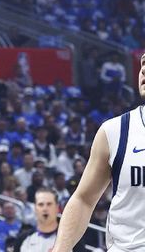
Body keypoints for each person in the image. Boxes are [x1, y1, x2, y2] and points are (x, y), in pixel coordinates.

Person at [52, 52, 145, 252]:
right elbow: (84, 199)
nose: (144, 70)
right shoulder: (115, 130)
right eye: (143, 63)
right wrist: (61, 249)